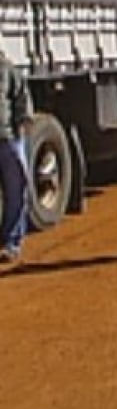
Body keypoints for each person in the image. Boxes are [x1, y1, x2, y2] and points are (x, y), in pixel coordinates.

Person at [0, 51, 32, 264]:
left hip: (8, 139)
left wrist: (22, 124)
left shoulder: (7, 69)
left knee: (16, 190)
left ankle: (12, 243)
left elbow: (22, 97)